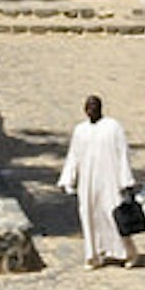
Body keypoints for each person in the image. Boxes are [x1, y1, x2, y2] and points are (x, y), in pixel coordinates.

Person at [55, 91, 137, 267]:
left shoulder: (113, 127)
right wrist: (67, 179)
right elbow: (74, 156)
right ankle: (93, 256)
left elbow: (123, 154)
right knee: (90, 217)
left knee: (114, 216)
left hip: (111, 180)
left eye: (95, 106)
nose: (91, 110)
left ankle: (128, 253)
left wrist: (126, 181)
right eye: (89, 107)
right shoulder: (80, 130)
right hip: (88, 183)